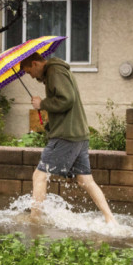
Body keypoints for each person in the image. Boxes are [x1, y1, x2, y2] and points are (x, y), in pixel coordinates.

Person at [20, 52, 117, 224]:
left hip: (66, 135)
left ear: (35, 64)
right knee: (85, 179)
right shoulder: (58, 71)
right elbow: (64, 104)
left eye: (29, 71)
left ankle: (34, 219)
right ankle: (110, 219)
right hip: (78, 134)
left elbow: (67, 100)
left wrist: (42, 104)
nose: (31, 76)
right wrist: (50, 122)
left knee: (39, 176)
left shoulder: (54, 71)